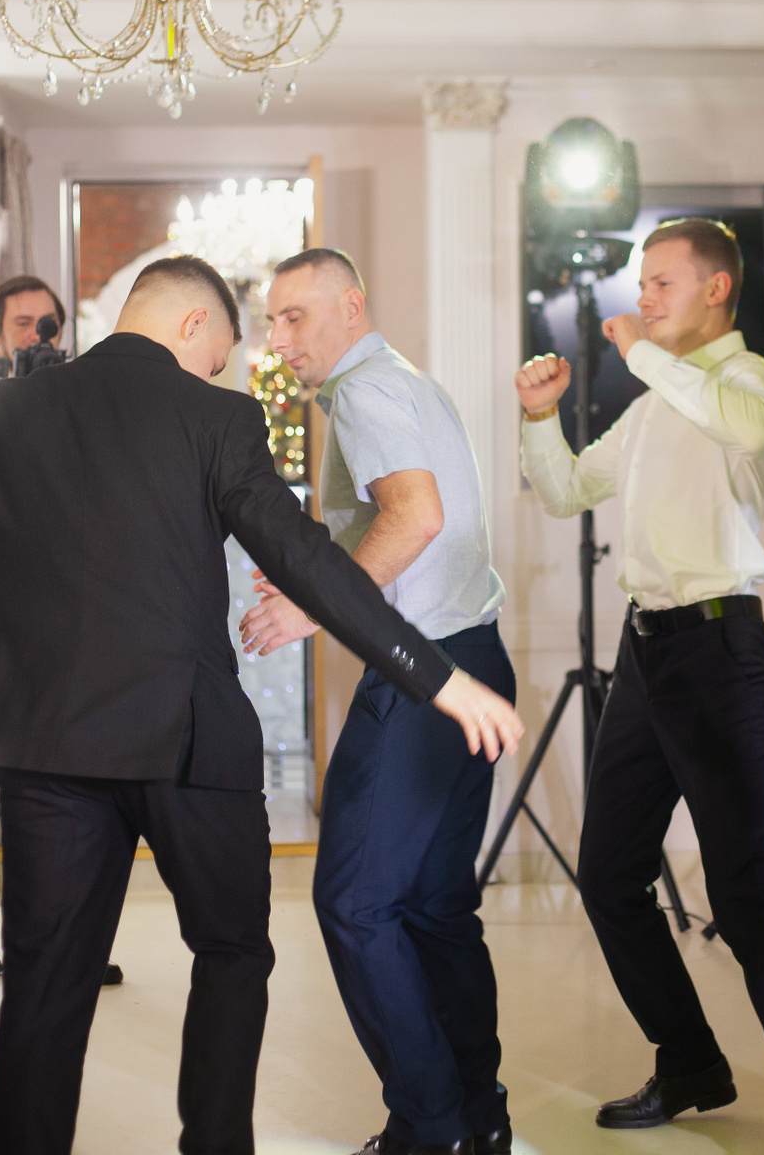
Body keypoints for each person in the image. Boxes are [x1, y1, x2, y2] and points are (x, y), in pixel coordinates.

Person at [0, 253, 525, 1155]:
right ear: (194, 324)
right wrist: (438, 676)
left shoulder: (1, 411)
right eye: (218, 356)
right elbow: (310, 562)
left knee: (45, 988)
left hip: (47, 757)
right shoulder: (220, 418)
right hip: (185, 746)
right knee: (232, 956)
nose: (217, 374)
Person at [517, 218, 764, 1155]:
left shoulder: (749, 381)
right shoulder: (652, 406)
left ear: (716, 289)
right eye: (641, 285)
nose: (643, 299)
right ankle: (692, 1061)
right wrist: (540, 419)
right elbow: (566, 491)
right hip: (646, 654)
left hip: (718, 649)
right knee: (607, 875)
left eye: (661, 283)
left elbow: (740, 427)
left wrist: (643, 355)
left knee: (742, 895)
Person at [239, 248, 515, 1155]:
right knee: (434, 906)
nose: (280, 340)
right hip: (472, 656)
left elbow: (415, 517)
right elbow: (402, 526)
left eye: (295, 317)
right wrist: (313, 574)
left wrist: (314, 607)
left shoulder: (362, 391)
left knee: (356, 904)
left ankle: (433, 1128)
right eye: (272, 321)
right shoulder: (403, 381)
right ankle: (476, 1118)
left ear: (350, 307)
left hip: (425, 676)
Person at [0, 272, 122, 985]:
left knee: (40, 783)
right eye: (24, 324)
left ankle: (51, 941)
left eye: (49, 324)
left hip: (78, 624)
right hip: (8, 626)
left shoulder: (84, 406)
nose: (40, 336)